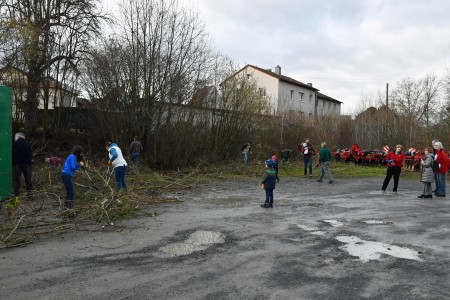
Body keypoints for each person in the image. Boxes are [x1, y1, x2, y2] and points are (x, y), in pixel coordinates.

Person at [61, 146, 84, 210]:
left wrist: (79, 164)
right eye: (80, 153)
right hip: (66, 175)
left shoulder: (73, 156)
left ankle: (66, 206)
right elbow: (73, 167)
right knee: (71, 191)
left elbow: (74, 167)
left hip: (66, 175)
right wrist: (80, 164)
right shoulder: (72, 156)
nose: (81, 154)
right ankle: (69, 207)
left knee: (69, 191)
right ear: (78, 152)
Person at [12, 132, 33, 200]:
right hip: (27, 164)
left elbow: (11, 153)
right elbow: (30, 154)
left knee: (16, 180)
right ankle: (30, 195)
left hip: (17, 164)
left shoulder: (14, 143)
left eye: (15, 137)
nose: (14, 138)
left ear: (18, 137)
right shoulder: (28, 144)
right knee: (28, 180)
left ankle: (16, 196)